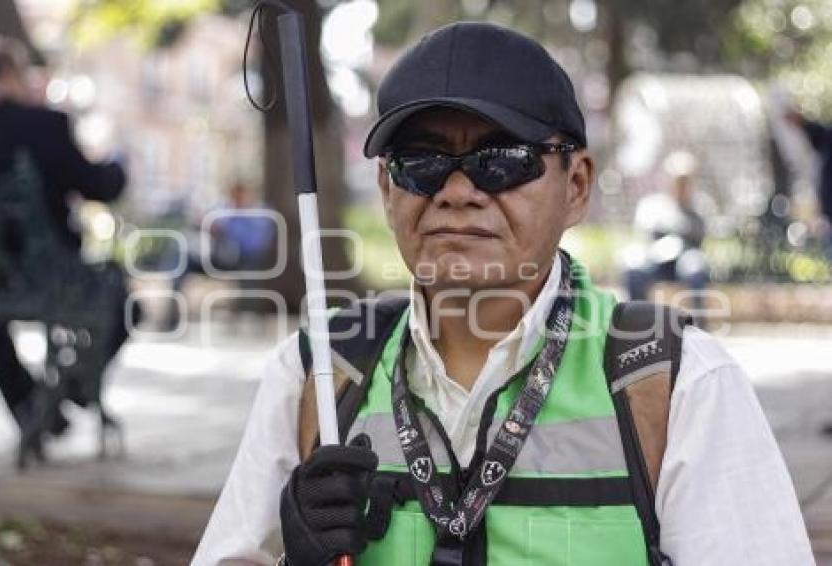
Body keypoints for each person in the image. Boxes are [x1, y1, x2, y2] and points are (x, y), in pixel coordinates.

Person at [193, 23, 813, 565]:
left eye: (503, 157)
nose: (457, 191)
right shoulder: (319, 373)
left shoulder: (677, 384)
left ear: (576, 185)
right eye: (421, 160)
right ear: (387, 190)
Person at [0, 42, 127, 461]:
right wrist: (118, 165)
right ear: (10, 76)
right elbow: (100, 187)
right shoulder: (44, 125)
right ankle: (74, 388)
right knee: (118, 291)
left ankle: (36, 408)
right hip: (51, 277)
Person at [159, 182, 276, 329]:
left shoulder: (258, 215)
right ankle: (172, 313)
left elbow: (256, 244)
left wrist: (228, 232)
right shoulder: (224, 209)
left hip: (242, 259)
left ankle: (247, 315)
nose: (237, 200)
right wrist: (209, 227)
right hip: (216, 255)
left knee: (250, 268)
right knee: (180, 258)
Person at [625, 151, 710, 314]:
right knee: (634, 268)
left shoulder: (699, 205)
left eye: (686, 181)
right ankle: (637, 318)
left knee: (696, 268)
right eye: (678, 180)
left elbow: (699, 235)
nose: (681, 185)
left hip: (685, 258)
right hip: (657, 259)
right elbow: (646, 231)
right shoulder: (652, 204)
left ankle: (699, 322)